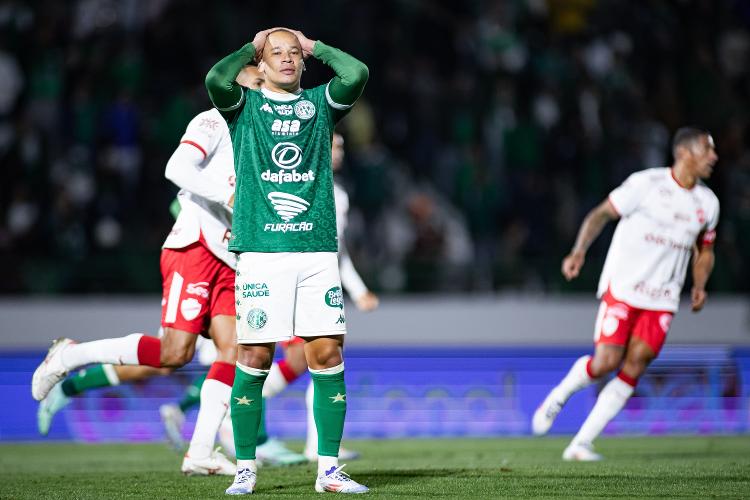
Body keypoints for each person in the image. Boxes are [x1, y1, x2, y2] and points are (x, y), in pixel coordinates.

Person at [31, 65, 267, 476]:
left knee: (237, 351)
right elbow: (176, 168)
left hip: (232, 261)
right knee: (174, 354)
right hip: (194, 248)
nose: (264, 90)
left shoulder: (264, 139)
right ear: (236, 88)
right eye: (256, 83)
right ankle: (69, 355)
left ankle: (199, 451)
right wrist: (228, 196)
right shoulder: (214, 120)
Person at [205, 28, 369, 494]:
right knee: (254, 355)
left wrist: (315, 45)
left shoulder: (320, 104)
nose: (286, 59)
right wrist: (249, 48)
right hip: (261, 250)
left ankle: (329, 471)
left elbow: (357, 73)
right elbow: (216, 79)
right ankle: (245, 468)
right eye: (276, 54)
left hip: (316, 251)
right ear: (262, 60)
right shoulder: (245, 106)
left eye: (293, 53)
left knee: (327, 354)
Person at [532, 127, 720, 461]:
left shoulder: (708, 203)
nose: (714, 157)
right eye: (707, 150)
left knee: (636, 364)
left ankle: (581, 444)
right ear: (684, 153)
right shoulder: (645, 185)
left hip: (662, 297)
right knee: (606, 362)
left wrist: (700, 284)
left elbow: (705, 250)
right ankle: (559, 395)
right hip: (624, 287)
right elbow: (600, 213)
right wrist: (578, 252)